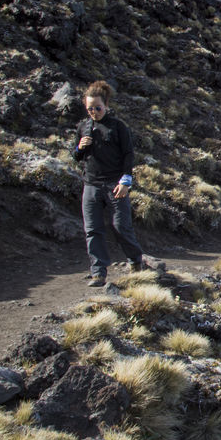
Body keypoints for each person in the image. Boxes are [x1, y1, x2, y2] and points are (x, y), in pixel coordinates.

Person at [73, 81, 145, 286]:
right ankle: (98, 272)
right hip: (91, 185)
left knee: (121, 226)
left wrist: (126, 181)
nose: (94, 112)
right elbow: (76, 156)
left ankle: (136, 260)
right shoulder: (83, 127)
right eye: (90, 109)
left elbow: (128, 154)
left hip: (115, 184)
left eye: (98, 108)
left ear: (106, 105)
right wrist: (79, 147)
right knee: (93, 229)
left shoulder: (118, 126)